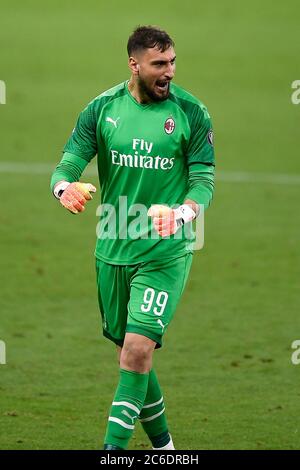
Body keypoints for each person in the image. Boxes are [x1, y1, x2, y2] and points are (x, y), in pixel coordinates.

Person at [50, 25, 215, 450]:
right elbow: (67, 165)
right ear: (134, 64)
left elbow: (203, 181)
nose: (170, 72)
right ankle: (165, 450)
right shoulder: (101, 109)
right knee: (132, 355)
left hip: (165, 251)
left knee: (138, 350)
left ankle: (113, 453)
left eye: (173, 62)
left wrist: (181, 215)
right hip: (112, 250)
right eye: (159, 64)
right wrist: (63, 188)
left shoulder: (191, 113)